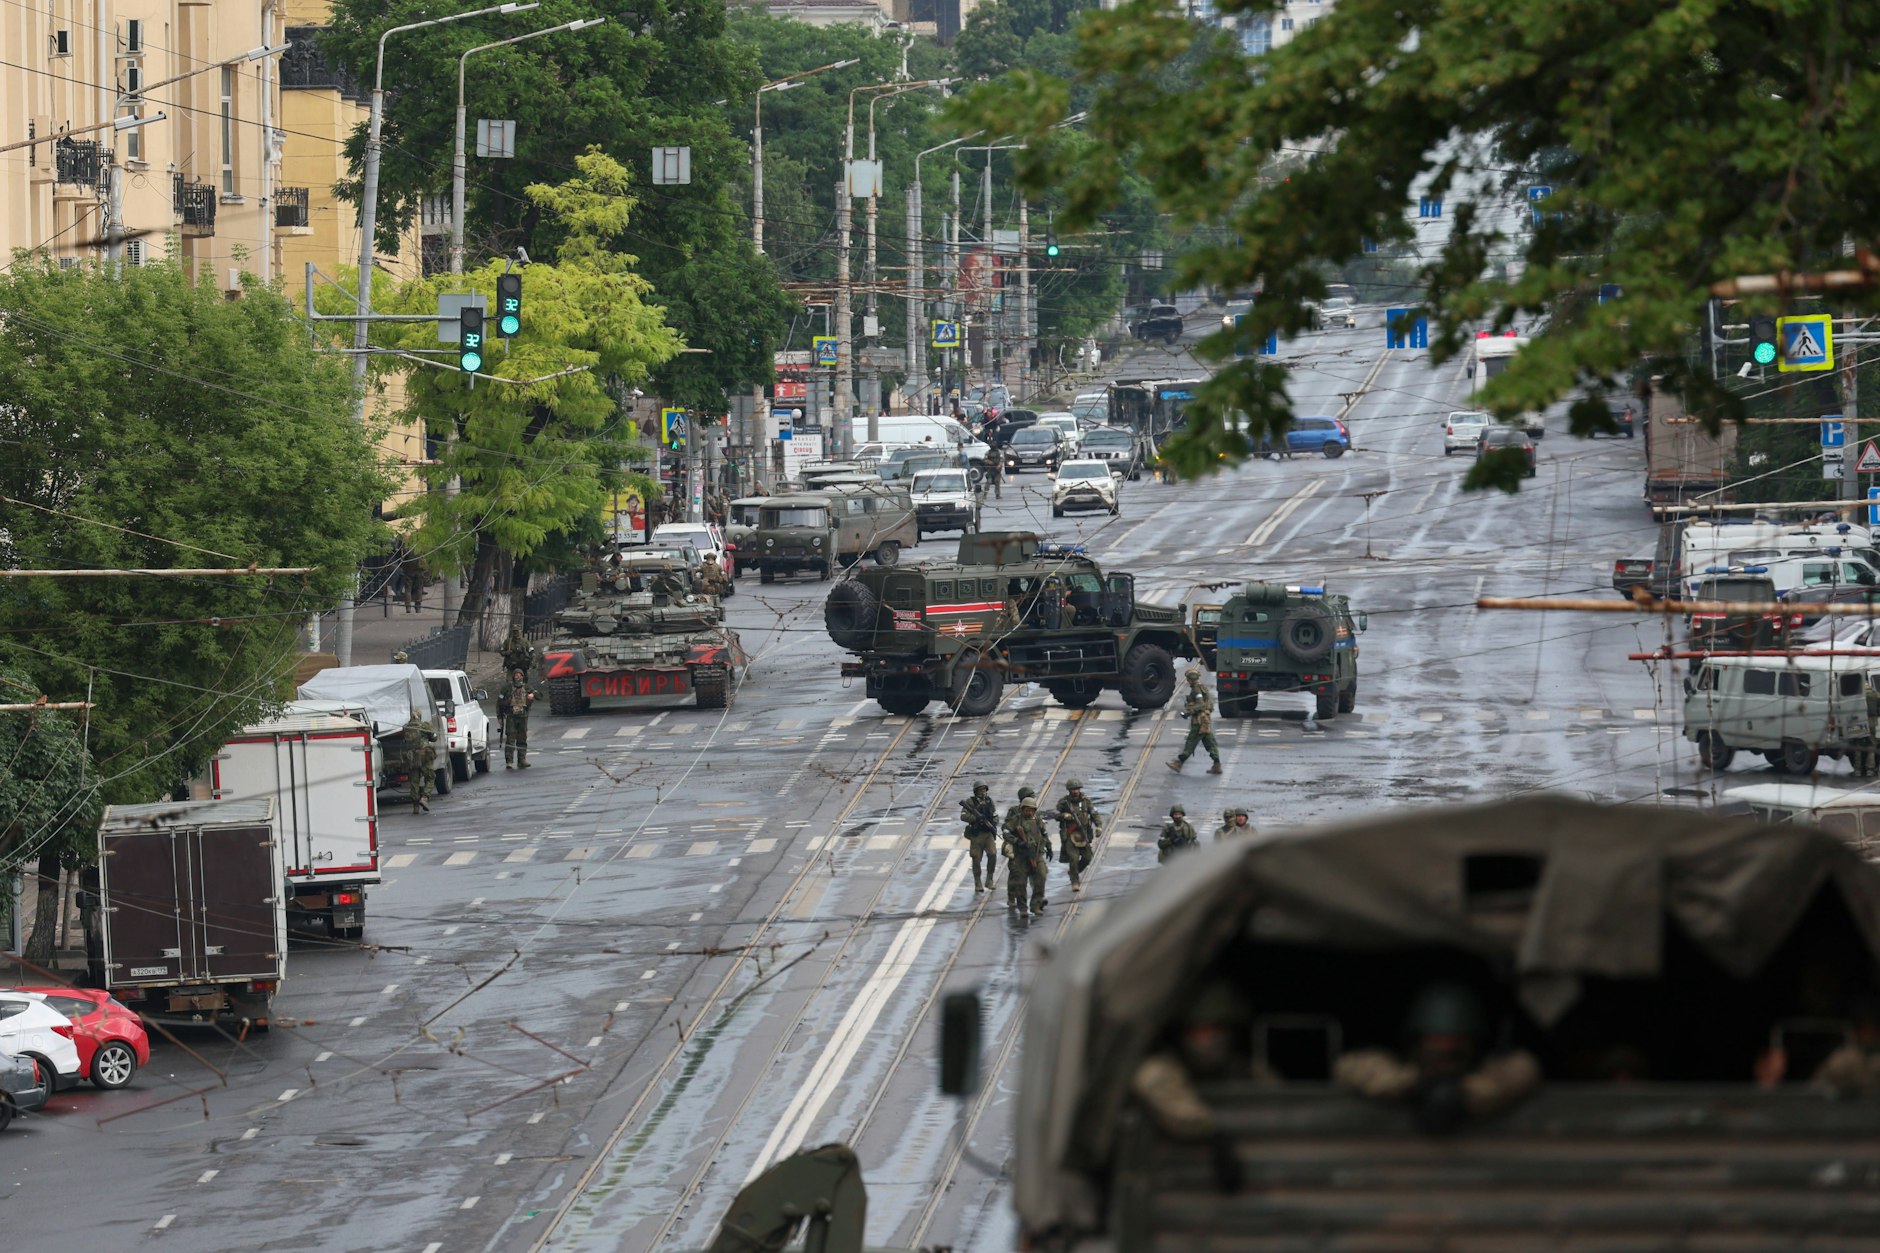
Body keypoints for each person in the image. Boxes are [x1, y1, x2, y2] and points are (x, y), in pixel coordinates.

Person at [1333, 981, 1541, 1134]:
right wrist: (1411, 1084)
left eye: (1455, 1043)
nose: (1445, 1050)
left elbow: (1524, 1068)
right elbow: (1351, 1066)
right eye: (1435, 1041)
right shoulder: (1395, 1072)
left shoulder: (1491, 1074)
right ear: (1416, 1042)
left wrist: (1471, 1092)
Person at [1002, 795, 1052, 915]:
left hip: (1037, 855)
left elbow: (1044, 833)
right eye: (1027, 809)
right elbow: (1006, 832)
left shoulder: (1037, 820)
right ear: (1023, 809)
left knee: (1041, 877)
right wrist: (1017, 841)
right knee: (1020, 883)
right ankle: (1023, 908)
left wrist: (1049, 846)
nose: (1029, 812)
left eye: (1031, 810)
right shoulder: (1016, 820)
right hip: (1021, 856)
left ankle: (1036, 904)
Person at [1168, 667, 1223, 774]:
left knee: (1191, 741)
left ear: (1191, 679)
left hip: (1199, 721)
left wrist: (1189, 712)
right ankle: (1217, 765)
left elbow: (1201, 704)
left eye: (1188, 679)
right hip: (1205, 720)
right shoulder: (1202, 688)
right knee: (1210, 742)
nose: (1188, 682)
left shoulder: (1196, 689)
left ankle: (1179, 763)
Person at [1056, 779, 1101, 890]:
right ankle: (1075, 881)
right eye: (1073, 789)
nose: (1075, 791)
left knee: (1088, 857)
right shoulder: (1064, 802)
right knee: (1074, 858)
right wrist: (1064, 815)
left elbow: (1094, 814)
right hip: (1070, 835)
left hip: (1083, 834)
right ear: (1069, 790)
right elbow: (1055, 814)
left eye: (1077, 789)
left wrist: (1099, 826)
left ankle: (1073, 872)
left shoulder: (1086, 802)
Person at [959, 783, 1000, 892]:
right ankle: (978, 882)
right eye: (981, 790)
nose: (983, 792)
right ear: (976, 791)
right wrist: (976, 818)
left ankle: (989, 879)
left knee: (993, 854)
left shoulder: (989, 801)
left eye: (984, 789)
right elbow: (963, 816)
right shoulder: (970, 802)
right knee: (976, 858)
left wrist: (993, 822)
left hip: (988, 834)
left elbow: (995, 815)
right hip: (977, 834)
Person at [401, 710, 437, 813]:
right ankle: (425, 798)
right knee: (430, 777)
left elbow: (404, 740)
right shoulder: (424, 725)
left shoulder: (405, 727)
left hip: (411, 757)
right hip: (424, 755)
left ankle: (415, 806)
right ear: (420, 716)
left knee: (414, 780)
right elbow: (434, 737)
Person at [499, 669, 536, 769]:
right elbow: (499, 703)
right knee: (510, 739)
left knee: (522, 739)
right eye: (516, 675)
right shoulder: (507, 688)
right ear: (513, 676)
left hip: (523, 717)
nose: (518, 677)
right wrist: (499, 717)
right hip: (511, 717)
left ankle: (522, 759)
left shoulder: (527, 687)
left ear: (523, 676)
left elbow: (539, 695)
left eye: (520, 675)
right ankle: (509, 761)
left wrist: (533, 695)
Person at [400, 548, 425, 613]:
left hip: (409, 572)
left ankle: (408, 607)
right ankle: (418, 607)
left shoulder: (407, 548)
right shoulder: (422, 548)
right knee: (419, 589)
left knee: (408, 590)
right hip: (419, 572)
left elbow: (403, 559)